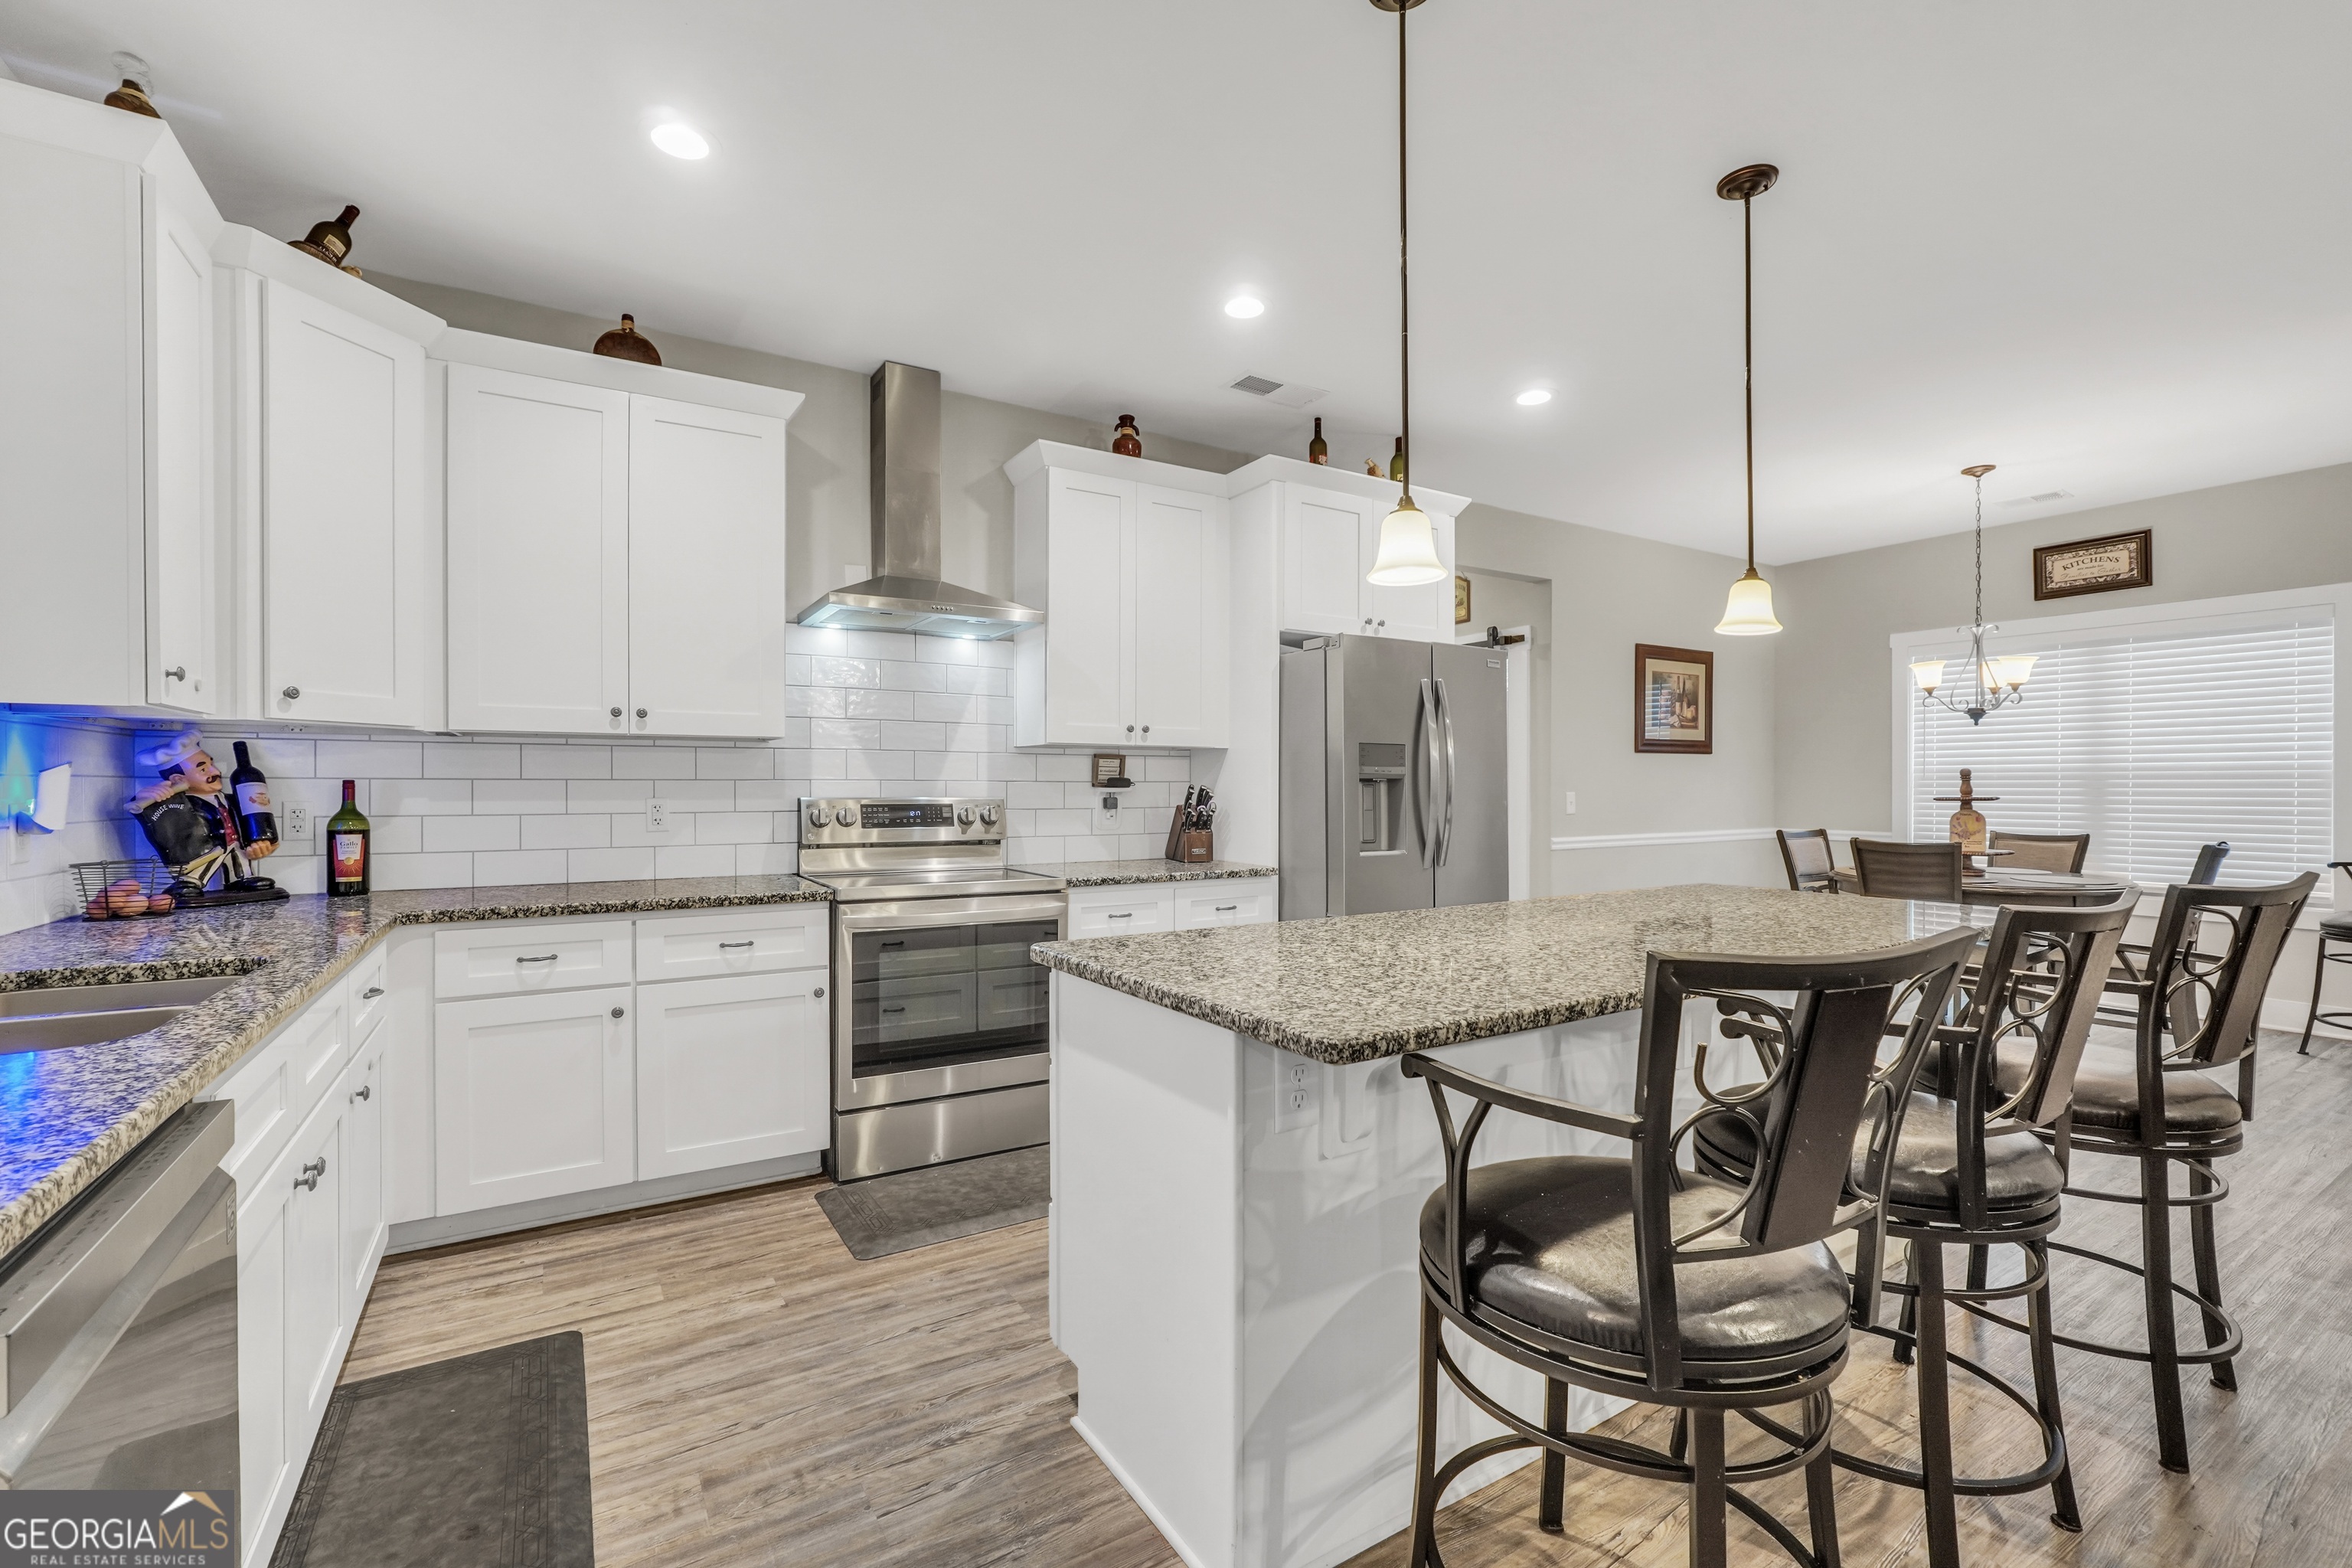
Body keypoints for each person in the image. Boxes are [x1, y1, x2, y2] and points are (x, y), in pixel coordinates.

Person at [128, 730, 275, 897]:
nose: (216, 771)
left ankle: (241, 878)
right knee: (203, 865)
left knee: (237, 858)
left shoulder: (230, 799)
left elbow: (253, 819)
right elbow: (156, 818)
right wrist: (146, 797)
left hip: (234, 845)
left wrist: (262, 842)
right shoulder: (179, 804)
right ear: (178, 779)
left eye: (211, 765)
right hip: (205, 850)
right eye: (204, 769)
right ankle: (190, 881)